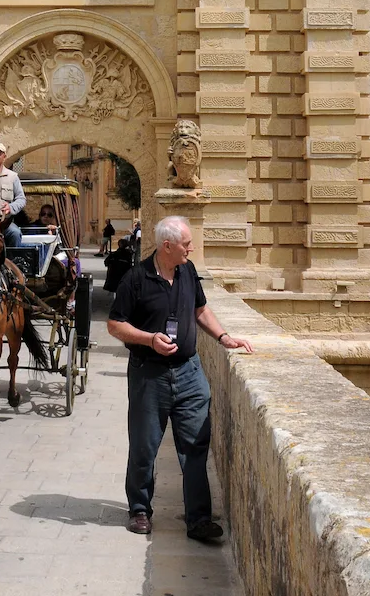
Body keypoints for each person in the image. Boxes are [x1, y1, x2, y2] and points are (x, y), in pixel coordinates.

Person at [108, 215, 253, 541]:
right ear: (167, 246)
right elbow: (115, 325)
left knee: (196, 445)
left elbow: (201, 310)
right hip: (150, 375)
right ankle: (140, 510)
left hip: (189, 372)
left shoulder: (187, 271)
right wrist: (149, 339)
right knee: (145, 446)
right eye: (187, 244)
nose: (192, 248)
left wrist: (224, 337)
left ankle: (198, 519)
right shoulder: (136, 279)